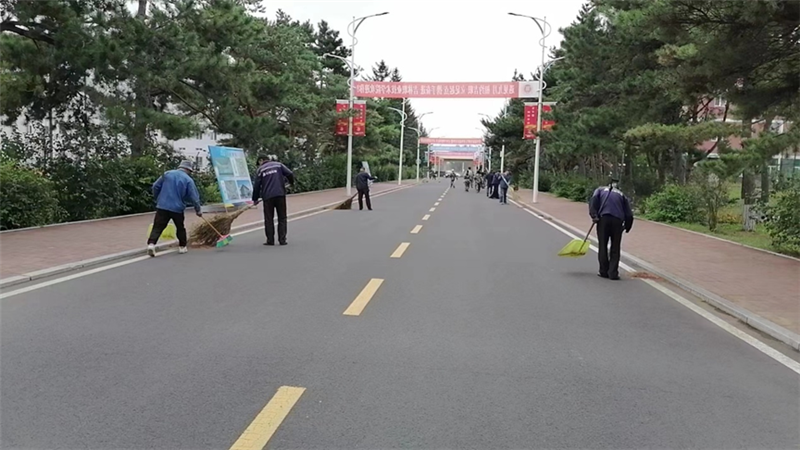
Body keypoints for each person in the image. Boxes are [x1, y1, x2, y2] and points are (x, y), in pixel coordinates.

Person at [147, 160, 202, 257]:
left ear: (180, 167)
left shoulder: (167, 174)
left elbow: (155, 186)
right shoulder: (188, 180)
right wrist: (198, 210)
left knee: (158, 226)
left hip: (162, 206)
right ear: (188, 170)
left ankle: (151, 244)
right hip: (177, 208)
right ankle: (182, 246)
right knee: (180, 227)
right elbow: (194, 197)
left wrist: (157, 198)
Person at [589, 177, 634, 280]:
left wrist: (594, 216)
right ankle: (613, 273)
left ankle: (603, 271)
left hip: (603, 219)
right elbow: (629, 214)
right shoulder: (621, 194)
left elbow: (593, 202)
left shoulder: (599, 190)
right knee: (615, 247)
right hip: (617, 221)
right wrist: (627, 226)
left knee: (603, 245)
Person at [252, 154, 295, 246]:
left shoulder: (260, 170)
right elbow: (290, 173)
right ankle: (282, 240)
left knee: (268, 219)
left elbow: (257, 186)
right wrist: (291, 183)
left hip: (267, 197)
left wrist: (255, 199)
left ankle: (270, 240)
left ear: (261, 160)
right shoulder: (278, 165)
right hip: (280, 194)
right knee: (282, 217)